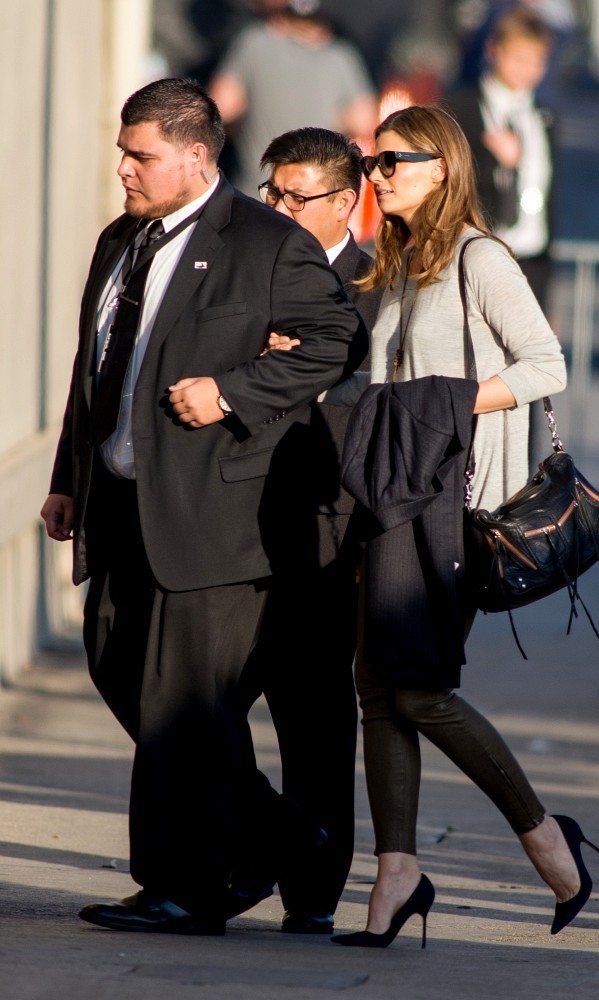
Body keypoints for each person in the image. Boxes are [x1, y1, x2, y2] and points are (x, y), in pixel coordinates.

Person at [39, 77, 365, 936]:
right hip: (118, 503)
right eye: (123, 151)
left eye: (140, 155)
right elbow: (95, 366)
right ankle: (284, 842)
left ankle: (184, 886)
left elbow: (337, 339)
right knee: (124, 674)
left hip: (213, 516)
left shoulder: (264, 243)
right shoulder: (122, 241)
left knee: (181, 705)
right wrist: (70, 476)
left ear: (195, 155)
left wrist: (233, 392)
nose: (123, 169)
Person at [328, 105, 599, 948]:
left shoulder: (481, 258)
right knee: (378, 689)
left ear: (442, 167)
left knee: (418, 689)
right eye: (372, 164)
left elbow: (545, 363)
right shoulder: (400, 263)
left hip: (461, 506)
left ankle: (543, 835)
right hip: (392, 500)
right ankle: (398, 875)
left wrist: (447, 409)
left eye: (392, 163)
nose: (377, 176)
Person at [248, 126, 382, 934]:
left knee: (314, 712)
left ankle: (314, 888)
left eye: (296, 197)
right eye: (271, 192)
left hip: (328, 523)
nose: (279, 208)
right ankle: (245, 850)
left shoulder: (375, 280)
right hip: (231, 514)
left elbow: (374, 396)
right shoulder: (247, 263)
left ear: (344, 202)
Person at [209, 0, 376, 197]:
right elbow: (364, 123)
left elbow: (221, 108)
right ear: (325, 25)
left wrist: (247, 125)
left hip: (255, 197)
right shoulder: (341, 57)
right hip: (311, 199)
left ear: (281, 18)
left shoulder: (255, 42)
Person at [449, 6, 555, 311]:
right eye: (519, 58)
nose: (528, 70)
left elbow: (549, 198)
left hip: (532, 258)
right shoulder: (462, 108)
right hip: (479, 253)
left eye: (537, 61)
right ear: (493, 50)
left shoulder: (543, 118)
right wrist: (496, 162)